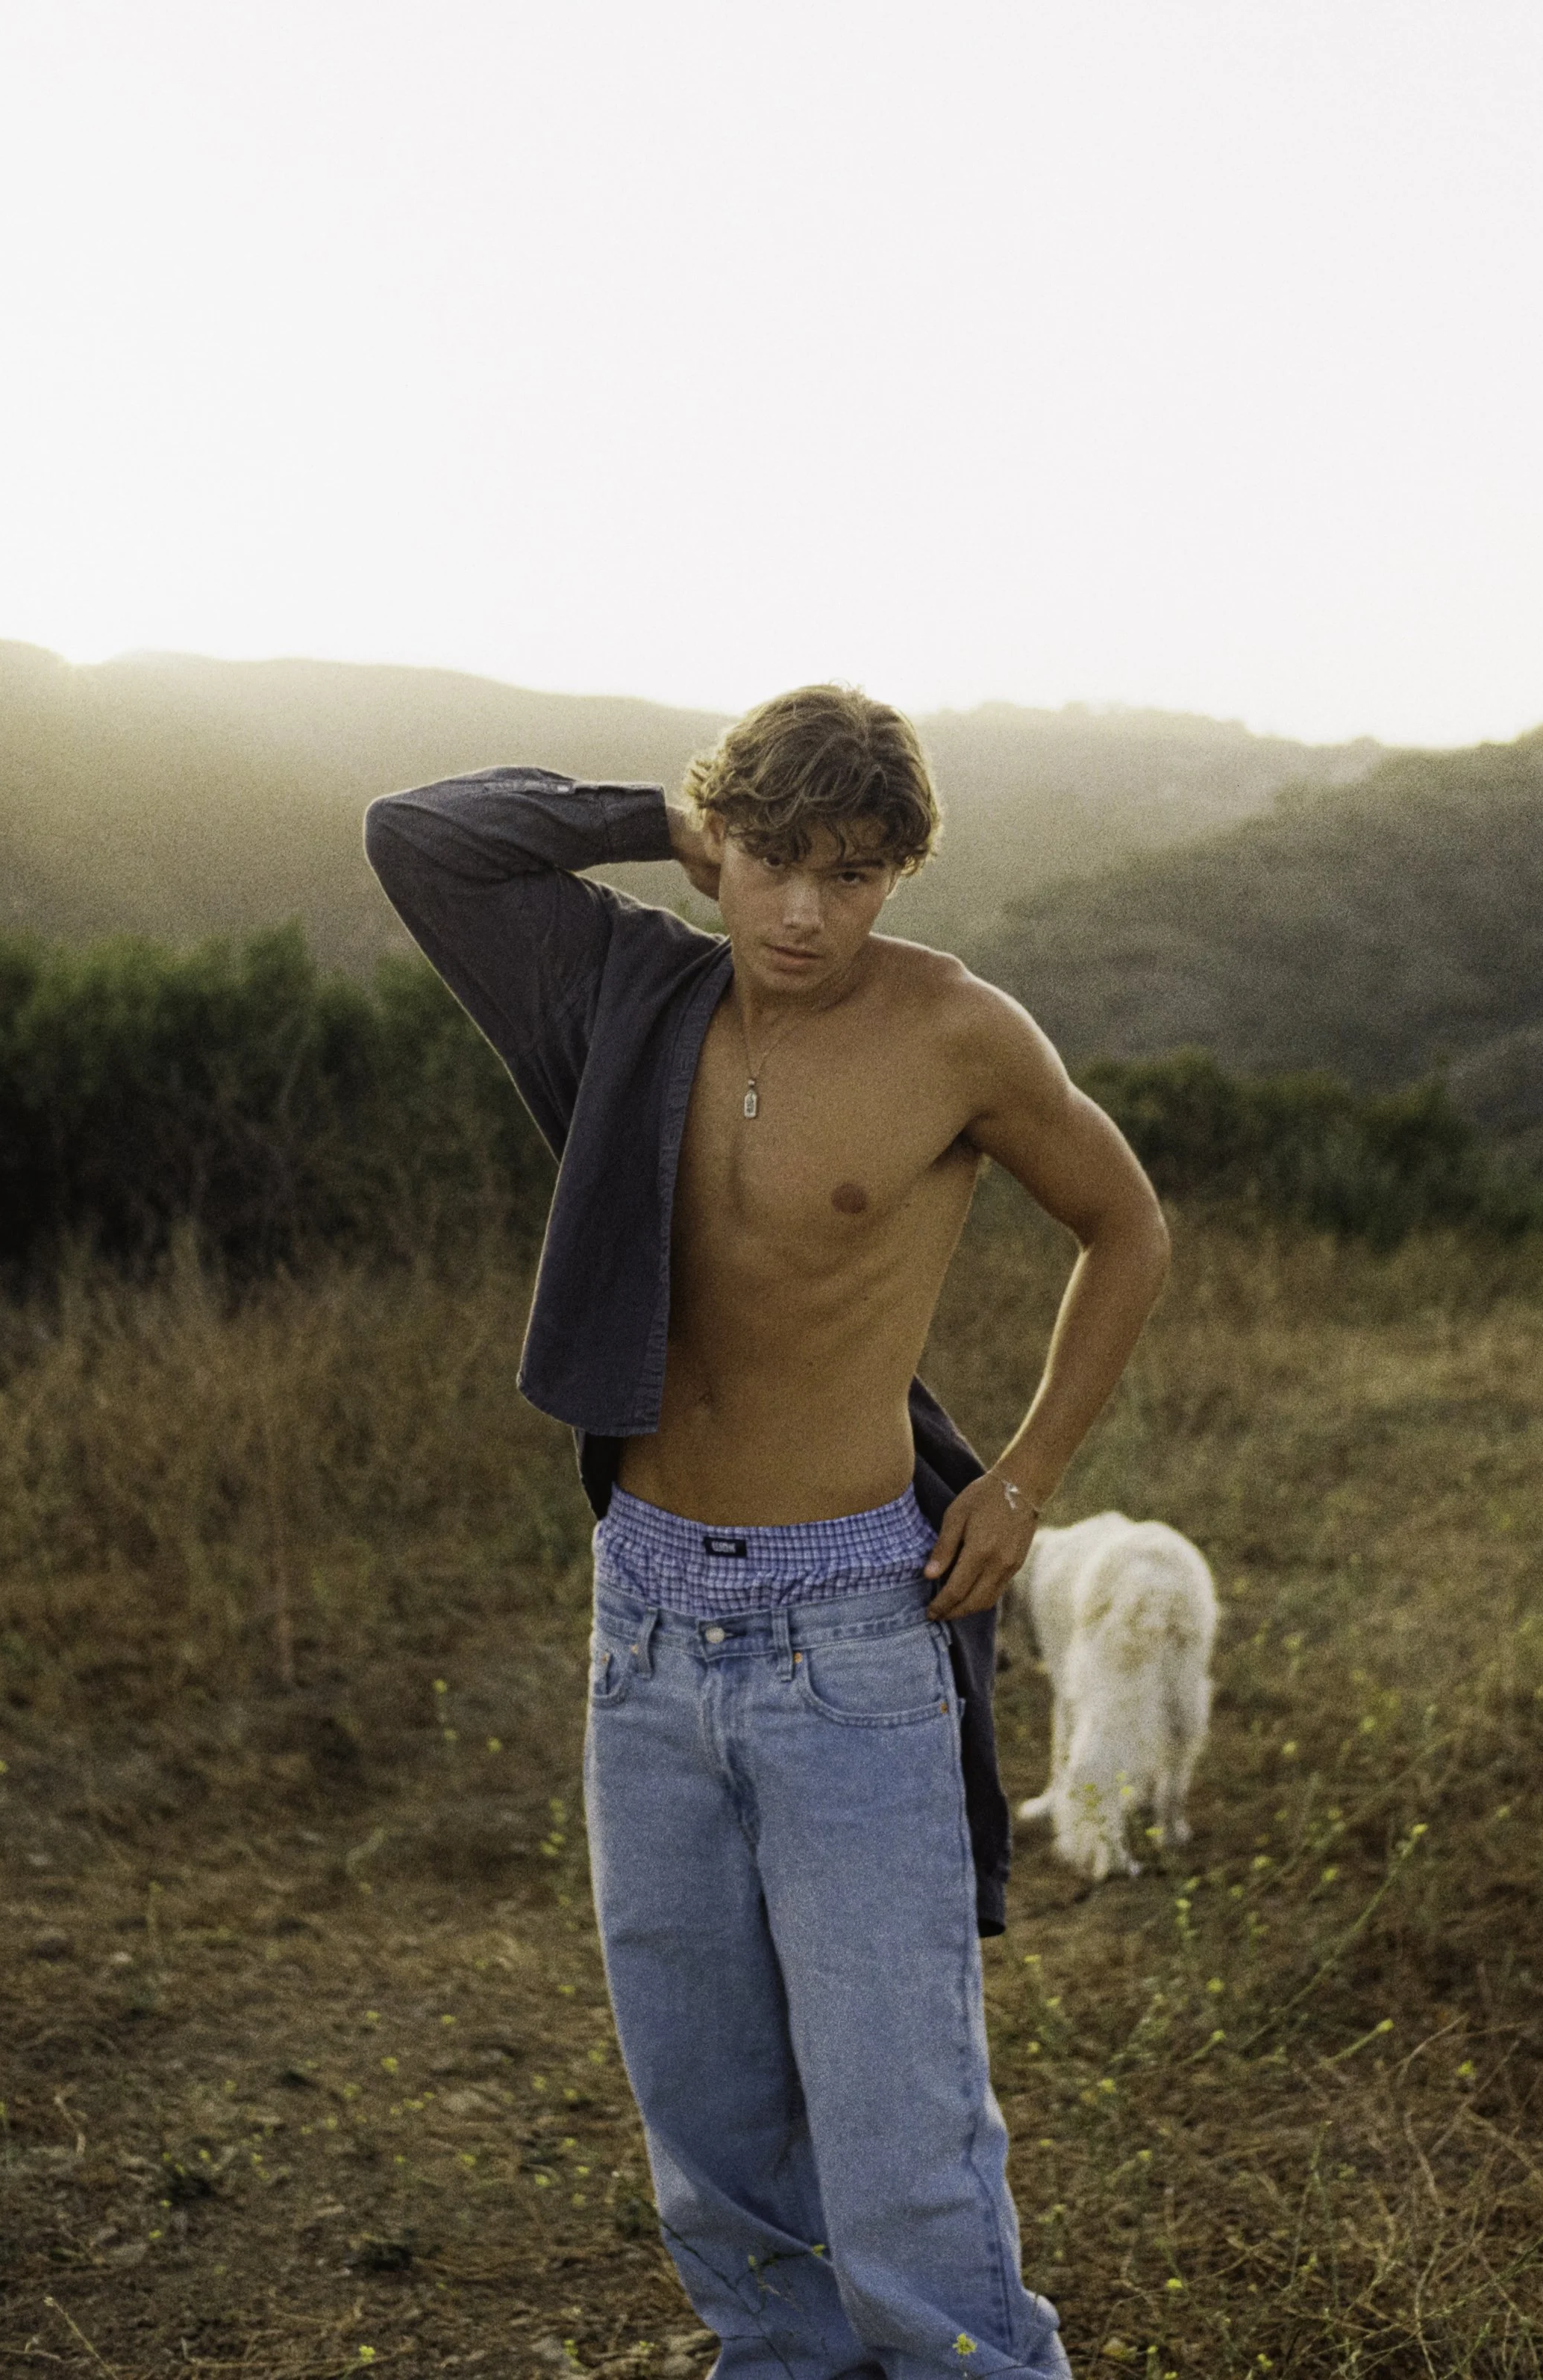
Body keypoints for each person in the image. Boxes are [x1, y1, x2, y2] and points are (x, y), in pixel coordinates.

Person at [364, 685, 1170, 2380]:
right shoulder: (625, 984)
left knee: (900, 2127)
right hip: (643, 1618)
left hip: (851, 1626)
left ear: (899, 874)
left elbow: (1126, 1226)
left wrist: (1017, 1479)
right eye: (773, 860)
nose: (809, 910)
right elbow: (417, 833)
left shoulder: (958, 1032)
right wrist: (657, 823)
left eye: (856, 872)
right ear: (715, 840)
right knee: (709, 2109)